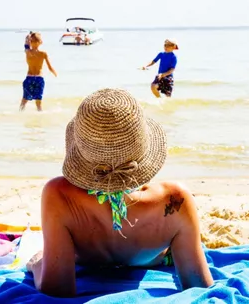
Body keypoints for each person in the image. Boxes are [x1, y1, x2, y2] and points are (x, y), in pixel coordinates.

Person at [27, 88, 214, 298]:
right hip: (152, 256)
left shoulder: (59, 195)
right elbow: (200, 289)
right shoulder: (175, 200)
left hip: (88, 258)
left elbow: (57, 292)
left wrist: (38, 264)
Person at [20, 32, 57, 111]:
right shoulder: (43, 54)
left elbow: (26, 44)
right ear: (41, 42)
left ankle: (19, 114)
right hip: (39, 79)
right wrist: (55, 73)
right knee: (38, 103)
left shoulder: (28, 52)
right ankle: (40, 118)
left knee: (24, 100)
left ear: (30, 42)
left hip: (29, 78)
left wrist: (28, 37)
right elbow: (50, 68)